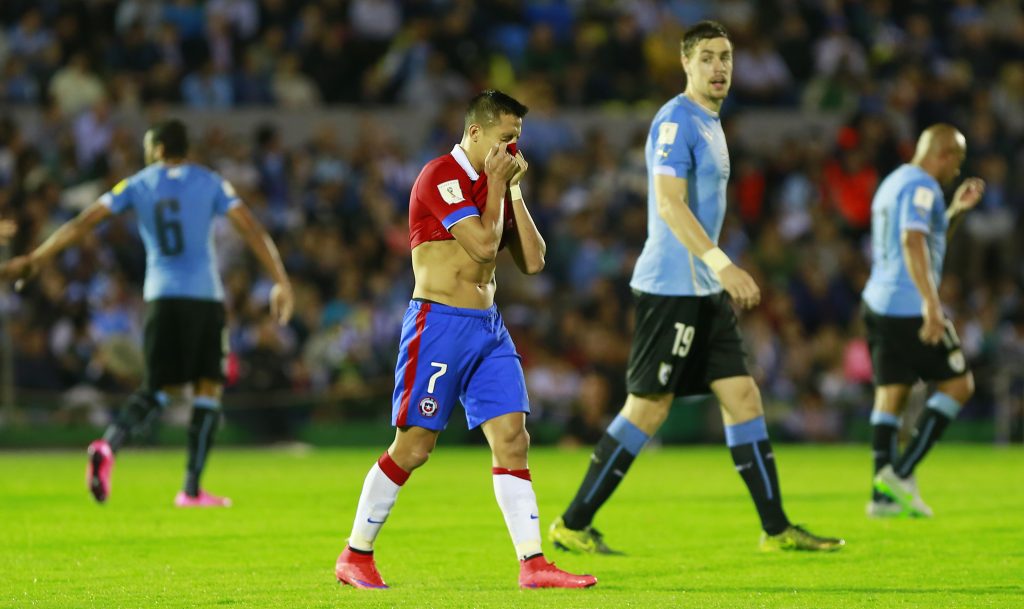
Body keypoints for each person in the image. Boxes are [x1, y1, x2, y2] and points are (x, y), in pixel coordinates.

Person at [548, 21, 844, 554]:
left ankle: (776, 530)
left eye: (726, 57)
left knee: (744, 396)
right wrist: (722, 262)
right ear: (686, 64)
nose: (719, 67)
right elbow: (668, 204)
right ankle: (571, 523)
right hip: (672, 287)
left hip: (702, 288)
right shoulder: (675, 121)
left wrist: (716, 272)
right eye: (707, 57)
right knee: (648, 408)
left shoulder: (711, 123)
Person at [333, 90, 596, 590]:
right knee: (414, 447)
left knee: (513, 439)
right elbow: (480, 245)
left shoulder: (495, 183)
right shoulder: (440, 176)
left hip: (487, 329)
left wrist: (514, 191)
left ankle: (533, 563)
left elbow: (534, 262)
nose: (512, 150)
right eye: (505, 139)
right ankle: (355, 555)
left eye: (517, 140)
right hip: (439, 324)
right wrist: (498, 185)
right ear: (475, 133)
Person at [0, 119, 293, 507]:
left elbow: (83, 222)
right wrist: (280, 279)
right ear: (184, 148)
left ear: (156, 149)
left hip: (159, 296)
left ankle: (108, 445)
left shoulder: (137, 184)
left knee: (156, 387)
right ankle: (191, 489)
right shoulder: (209, 182)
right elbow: (252, 229)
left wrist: (36, 258)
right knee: (207, 387)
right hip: (203, 298)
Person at [862, 124, 984, 517]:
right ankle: (901, 472)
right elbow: (912, 241)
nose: (958, 170)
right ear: (944, 154)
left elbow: (927, 236)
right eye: (958, 160)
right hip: (907, 305)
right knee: (959, 384)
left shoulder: (894, 181)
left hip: (877, 301)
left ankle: (882, 497)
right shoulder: (923, 187)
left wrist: (954, 212)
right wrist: (931, 304)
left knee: (891, 392)